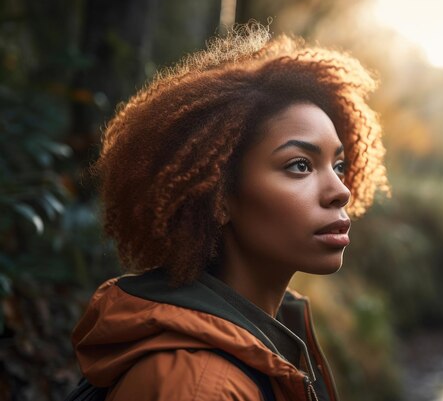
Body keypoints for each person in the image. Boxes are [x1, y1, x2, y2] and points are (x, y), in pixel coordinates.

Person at [71, 24, 388, 401]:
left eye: (338, 166)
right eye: (300, 165)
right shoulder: (201, 387)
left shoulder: (267, 337)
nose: (340, 191)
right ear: (218, 197)